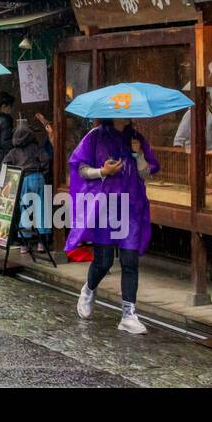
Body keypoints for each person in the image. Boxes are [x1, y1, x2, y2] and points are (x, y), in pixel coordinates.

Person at [67, 118, 159, 335]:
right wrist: (102, 171)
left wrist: (138, 155)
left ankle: (129, 314)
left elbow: (147, 172)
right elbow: (80, 169)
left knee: (130, 260)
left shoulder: (136, 139)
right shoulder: (95, 137)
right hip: (106, 205)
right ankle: (89, 289)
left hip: (131, 205)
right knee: (104, 260)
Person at [5, 115, 54, 250]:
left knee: (25, 209)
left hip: (22, 179)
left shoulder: (13, 151)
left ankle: (24, 244)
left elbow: (5, 163)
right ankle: (41, 243)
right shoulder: (35, 148)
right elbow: (46, 160)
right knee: (41, 209)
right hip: (37, 177)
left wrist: (11, 177)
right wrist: (43, 173)